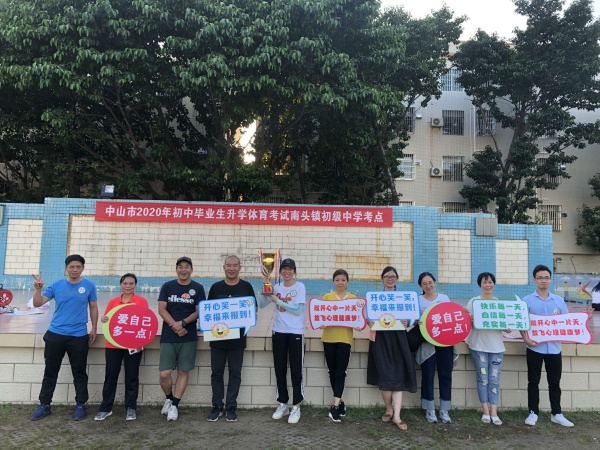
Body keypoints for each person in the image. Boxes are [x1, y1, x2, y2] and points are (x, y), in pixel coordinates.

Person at [30, 254, 98, 421]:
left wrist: (94, 328)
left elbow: (93, 307)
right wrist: (38, 289)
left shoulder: (89, 286)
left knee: (79, 372)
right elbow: (38, 303)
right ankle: (44, 405)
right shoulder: (56, 285)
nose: (75, 270)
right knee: (50, 371)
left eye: (78, 267)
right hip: (56, 335)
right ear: (66, 268)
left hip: (78, 336)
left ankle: (80, 404)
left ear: (83, 268)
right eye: (71, 267)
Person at [521, 264, 577, 427]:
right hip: (534, 347)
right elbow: (521, 323)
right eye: (540, 278)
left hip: (554, 348)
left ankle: (556, 413)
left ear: (550, 280)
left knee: (554, 382)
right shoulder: (526, 301)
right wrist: (526, 339)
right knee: (533, 382)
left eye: (546, 277)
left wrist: (583, 319)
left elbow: (566, 322)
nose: (543, 280)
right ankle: (533, 412)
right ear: (534, 280)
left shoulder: (558, 301)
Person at [206, 255, 257, 423]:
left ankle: (231, 407)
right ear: (224, 267)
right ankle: (216, 406)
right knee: (216, 373)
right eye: (229, 265)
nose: (232, 268)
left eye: (235, 265)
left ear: (240, 268)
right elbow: (208, 312)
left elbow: (253, 310)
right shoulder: (216, 287)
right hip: (217, 338)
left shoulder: (246, 287)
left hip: (238, 339)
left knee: (235, 373)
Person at [366, 266, 417, 431]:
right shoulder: (374, 299)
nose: (390, 279)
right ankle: (389, 409)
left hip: (399, 339)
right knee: (385, 375)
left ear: (397, 279)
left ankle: (397, 416)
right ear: (382, 279)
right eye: (387, 276)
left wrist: (408, 322)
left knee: (399, 375)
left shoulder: (404, 298)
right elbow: (368, 318)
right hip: (381, 339)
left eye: (393, 276)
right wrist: (370, 322)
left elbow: (413, 318)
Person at [94, 273, 148, 421]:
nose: (128, 286)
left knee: (132, 376)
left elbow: (145, 322)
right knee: (111, 376)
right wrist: (104, 319)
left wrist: (140, 342)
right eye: (125, 283)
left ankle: (131, 408)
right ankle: (106, 408)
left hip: (133, 346)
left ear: (135, 285)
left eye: (131, 283)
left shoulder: (141, 301)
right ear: (121, 285)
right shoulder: (113, 302)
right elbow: (107, 322)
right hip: (113, 345)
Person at [158, 256, 205, 421]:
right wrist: (175, 325)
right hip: (169, 335)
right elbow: (161, 309)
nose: (183, 270)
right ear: (176, 269)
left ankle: (175, 406)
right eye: (180, 267)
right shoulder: (168, 286)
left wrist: (183, 323)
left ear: (191, 269)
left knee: (182, 371)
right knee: (164, 373)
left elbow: (199, 311)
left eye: (187, 267)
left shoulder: (197, 288)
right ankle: (169, 398)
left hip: (188, 335)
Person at [260, 258, 306, 424]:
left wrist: (277, 300)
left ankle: (296, 405)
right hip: (279, 332)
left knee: (296, 371)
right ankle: (283, 404)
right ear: (280, 271)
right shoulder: (277, 287)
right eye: (284, 269)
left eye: (290, 269)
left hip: (295, 333)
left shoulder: (299, 287)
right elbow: (263, 304)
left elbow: (297, 310)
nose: (287, 272)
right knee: (279, 369)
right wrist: (265, 289)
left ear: (294, 271)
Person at [465, 272, 507, 426]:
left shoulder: (499, 304)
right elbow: (465, 323)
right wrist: (468, 319)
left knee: (494, 380)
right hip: (479, 347)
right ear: (479, 285)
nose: (488, 285)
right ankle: (485, 411)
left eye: (490, 282)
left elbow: (504, 324)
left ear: (494, 284)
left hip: (496, 348)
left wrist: (508, 327)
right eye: (484, 282)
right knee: (483, 378)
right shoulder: (473, 302)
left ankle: (494, 411)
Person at [415, 271, 455, 424]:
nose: (428, 286)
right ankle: (429, 409)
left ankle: (444, 409)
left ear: (434, 282)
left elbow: (452, 316)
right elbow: (413, 320)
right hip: (427, 343)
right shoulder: (418, 300)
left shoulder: (444, 298)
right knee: (428, 373)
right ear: (420, 286)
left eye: (430, 283)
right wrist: (416, 322)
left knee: (445, 373)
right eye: (424, 284)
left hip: (445, 342)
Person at [320, 269, 356, 423]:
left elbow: (357, 318)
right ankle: (339, 402)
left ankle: (334, 407)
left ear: (347, 282)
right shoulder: (327, 297)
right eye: (337, 280)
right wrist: (321, 322)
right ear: (333, 282)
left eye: (343, 280)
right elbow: (320, 316)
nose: (340, 282)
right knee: (332, 372)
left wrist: (359, 323)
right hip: (328, 339)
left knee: (340, 373)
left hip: (345, 340)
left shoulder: (353, 299)